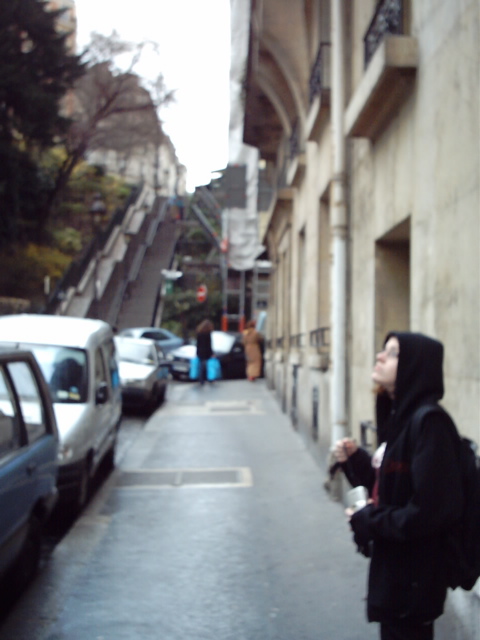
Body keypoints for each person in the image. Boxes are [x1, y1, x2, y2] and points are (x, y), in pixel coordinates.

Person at [334, 332, 463, 640]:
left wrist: (369, 520)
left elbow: (428, 513)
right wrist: (359, 464)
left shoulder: (430, 424)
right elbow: (394, 488)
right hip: (396, 575)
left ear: (413, 367)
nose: (380, 356)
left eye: (392, 353)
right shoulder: (402, 419)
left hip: (414, 581)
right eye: (384, 350)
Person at [195, 319, 213, 386]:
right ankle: (208, 378)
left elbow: (197, 344)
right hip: (206, 352)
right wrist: (211, 353)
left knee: (201, 366)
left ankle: (201, 379)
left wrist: (197, 352)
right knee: (207, 366)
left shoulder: (199, 333)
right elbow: (209, 344)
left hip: (200, 352)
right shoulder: (208, 334)